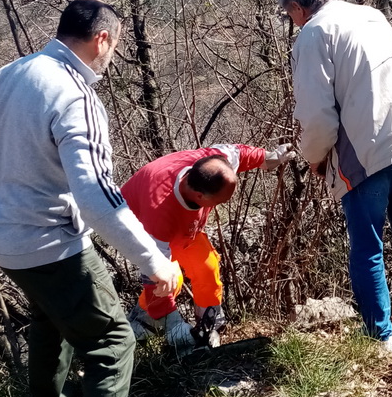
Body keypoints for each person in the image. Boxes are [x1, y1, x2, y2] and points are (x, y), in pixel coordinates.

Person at [0, 0, 181, 397]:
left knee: (49, 317)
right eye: (113, 46)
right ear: (102, 40)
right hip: (51, 242)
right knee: (112, 341)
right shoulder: (76, 95)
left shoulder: (12, 74)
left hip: (5, 240)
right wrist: (155, 263)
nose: (111, 56)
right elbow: (97, 198)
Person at [276, 0, 392, 354]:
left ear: (297, 7)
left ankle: (379, 337)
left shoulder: (313, 34)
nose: (292, 21)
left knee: (367, 245)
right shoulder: (371, 15)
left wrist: (315, 158)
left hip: (364, 151)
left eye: (290, 14)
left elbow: (317, 116)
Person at [121, 143, 294, 350]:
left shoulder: (212, 162)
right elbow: (154, 277)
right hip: (142, 231)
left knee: (207, 267)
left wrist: (267, 157)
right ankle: (144, 324)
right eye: (219, 201)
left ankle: (208, 326)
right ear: (200, 196)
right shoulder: (158, 213)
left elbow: (238, 154)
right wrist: (173, 325)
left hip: (185, 230)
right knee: (171, 279)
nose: (220, 205)